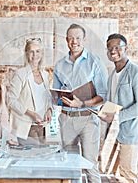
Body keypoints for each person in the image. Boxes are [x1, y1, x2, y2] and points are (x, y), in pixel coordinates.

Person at [52, 23, 108, 183]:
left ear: (84, 40)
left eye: (77, 38)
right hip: (66, 120)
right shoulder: (59, 65)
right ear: (66, 40)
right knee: (69, 166)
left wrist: (82, 103)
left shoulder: (95, 62)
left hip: (88, 119)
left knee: (90, 165)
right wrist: (60, 99)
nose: (74, 41)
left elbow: (103, 96)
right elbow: (56, 95)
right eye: (71, 38)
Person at [102, 33, 138, 183]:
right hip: (116, 133)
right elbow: (112, 103)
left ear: (126, 49)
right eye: (110, 48)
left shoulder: (137, 73)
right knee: (119, 176)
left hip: (132, 133)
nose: (113, 51)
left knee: (128, 176)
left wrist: (116, 117)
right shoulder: (112, 75)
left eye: (117, 47)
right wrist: (101, 113)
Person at [8, 38, 52, 146]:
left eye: (38, 51)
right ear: (27, 54)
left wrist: (49, 110)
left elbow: (48, 98)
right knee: (29, 160)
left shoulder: (45, 75)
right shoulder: (20, 74)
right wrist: (32, 114)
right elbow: (10, 100)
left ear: (41, 54)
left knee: (42, 159)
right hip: (26, 126)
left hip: (42, 126)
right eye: (31, 51)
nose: (35, 55)